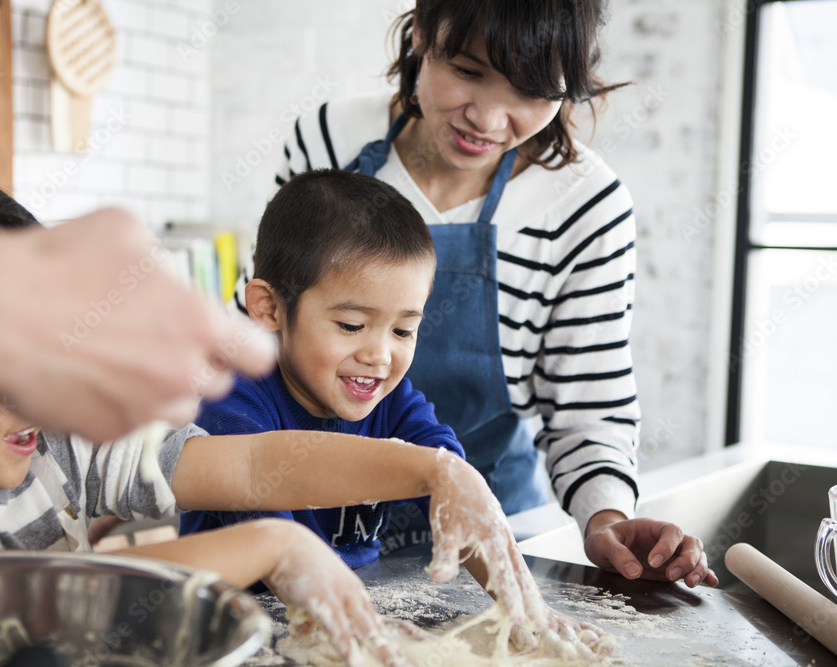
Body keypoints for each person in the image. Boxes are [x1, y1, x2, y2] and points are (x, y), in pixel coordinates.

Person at [0, 163, 607, 664]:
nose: (35, 394)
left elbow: (246, 464)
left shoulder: (59, 445)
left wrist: (435, 469)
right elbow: (37, 601)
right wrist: (268, 546)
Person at [253, 0, 718, 588]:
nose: (489, 119)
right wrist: (173, 464)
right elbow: (268, 331)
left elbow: (587, 403)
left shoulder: (585, 206)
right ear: (422, 32)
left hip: (485, 535)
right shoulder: (329, 141)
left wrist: (606, 517)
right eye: (468, 72)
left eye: (532, 91)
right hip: (312, 520)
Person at [0, 165, 274, 664]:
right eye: (1, 365)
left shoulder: (48, 450)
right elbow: (23, 611)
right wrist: (269, 545)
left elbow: (248, 465)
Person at [181, 169, 466, 571]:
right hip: (234, 620)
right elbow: (278, 554)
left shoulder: (392, 404)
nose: (380, 355)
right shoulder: (232, 403)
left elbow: (453, 484)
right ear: (270, 307)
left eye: (404, 330)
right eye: (352, 326)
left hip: (349, 604)